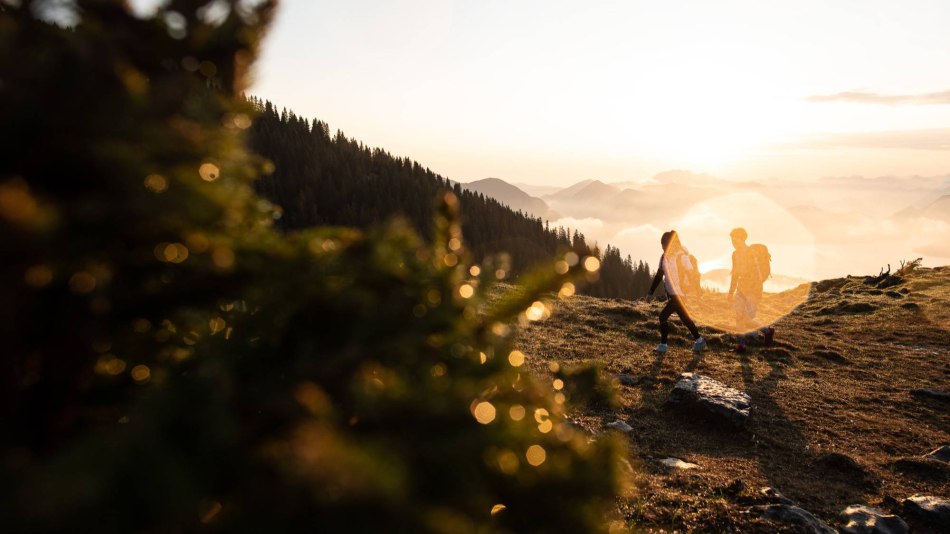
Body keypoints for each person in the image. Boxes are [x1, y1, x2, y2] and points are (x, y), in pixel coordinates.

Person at [647, 230, 706, 354]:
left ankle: (663, 345)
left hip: (680, 295)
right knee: (685, 318)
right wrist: (650, 292)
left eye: (664, 245)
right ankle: (700, 341)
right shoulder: (663, 257)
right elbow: (659, 275)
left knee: (662, 316)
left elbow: (693, 275)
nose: (662, 248)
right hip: (671, 293)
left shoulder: (681, 256)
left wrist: (697, 291)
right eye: (661, 245)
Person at [727, 227, 774, 352]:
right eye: (732, 240)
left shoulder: (751, 253)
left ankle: (767, 331)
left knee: (747, 319)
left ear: (742, 239)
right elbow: (735, 274)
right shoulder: (735, 254)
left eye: (735, 240)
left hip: (753, 290)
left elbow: (757, 275)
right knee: (739, 317)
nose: (733, 243)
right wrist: (731, 292)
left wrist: (752, 291)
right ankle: (742, 345)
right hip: (741, 289)